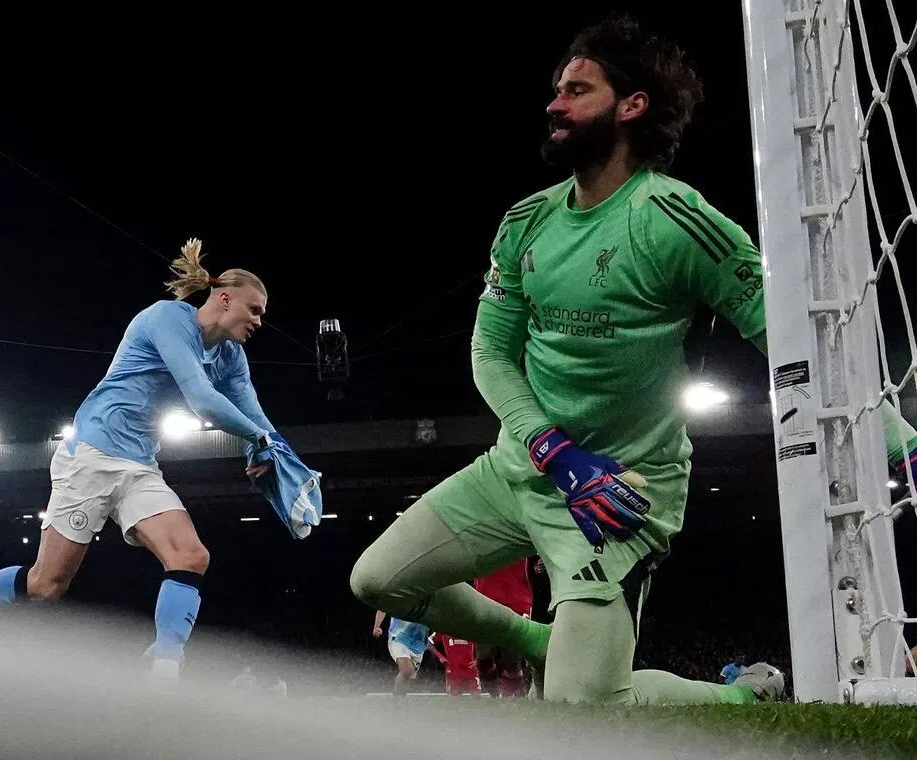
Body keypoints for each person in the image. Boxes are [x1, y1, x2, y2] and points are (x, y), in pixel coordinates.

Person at [350, 13, 917, 706]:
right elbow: (490, 354)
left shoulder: (677, 222)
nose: (555, 103)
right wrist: (552, 449)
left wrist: (898, 442)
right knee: (377, 580)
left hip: (622, 491)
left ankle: (743, 698)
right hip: (525, 467)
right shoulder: (525, 221)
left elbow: (791, 339)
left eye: (577, 90)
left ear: (632, 106)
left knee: (583, 710)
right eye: (557, 89)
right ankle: (538, 640)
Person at [0, 238, 288, 679]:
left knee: (191, 556)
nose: (259, 321)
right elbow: (203, 401)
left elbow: (255, 414)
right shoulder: (166, 319)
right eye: (254, 310)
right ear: (224, 298)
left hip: (140, 467)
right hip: (91, 457)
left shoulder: (231, 357)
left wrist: (274, 452)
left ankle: (165, 673)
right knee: (46, 586)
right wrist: (257, 439)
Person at [473, 559, 532, 697]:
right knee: (483, 659)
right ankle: (493, 697)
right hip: (484, 599)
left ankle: (511, 701)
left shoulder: (530, 537)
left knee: (512, 661)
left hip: (517, 600)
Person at [372, 611, 429, 696]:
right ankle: (397, 702)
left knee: (407, 678)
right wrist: (376, 626)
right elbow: (383, 608)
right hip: (399, 637)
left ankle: (399, 701)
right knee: (407, 670)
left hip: (419, 644)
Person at [429, 630, 480, 696]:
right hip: (453, 672)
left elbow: (486, 644)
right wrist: (440, 656)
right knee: (454, 699)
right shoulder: (443, 630)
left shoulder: (472, 629)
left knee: (476, 697)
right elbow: (428, 642)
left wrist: (478, 659)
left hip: (471, 671)